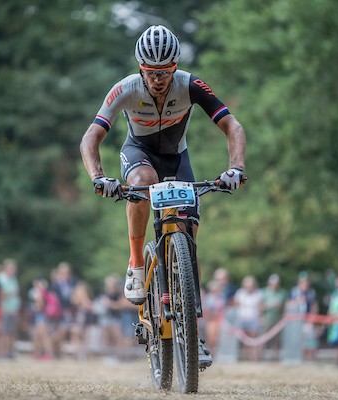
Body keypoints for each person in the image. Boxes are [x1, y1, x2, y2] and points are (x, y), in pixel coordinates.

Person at [79, 25, 247, 369]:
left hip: (177, 158)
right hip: (137, 153)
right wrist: (99, 178)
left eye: (166, 72)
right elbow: (90, 139)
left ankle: (192, 331)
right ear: (141, 68)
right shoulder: (124, 89)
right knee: (143, 181)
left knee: (188, 234)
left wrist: (235, 168)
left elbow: (233, 126)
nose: (158, 79)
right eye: (152, 73)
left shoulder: (191, 85)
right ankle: (137, 263)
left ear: (175, 67)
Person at [0, 259, 21, 358]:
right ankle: (3, 351)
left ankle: (10, 351)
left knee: (11, 331)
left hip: (13, 309)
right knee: (4, 331)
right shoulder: (1, 278)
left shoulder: (13, 279)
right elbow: (1, 294)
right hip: (4, 308)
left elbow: (16, 293)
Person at [260, 274, 287, 360]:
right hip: (267, 319)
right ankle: (260, 357)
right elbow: (260, 306)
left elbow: (285, 307)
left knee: (276, 341)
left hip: (278, 320)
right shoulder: (264, 292)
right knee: (263, 339)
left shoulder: (282, 293)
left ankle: (275, 358)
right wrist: (269, 306)